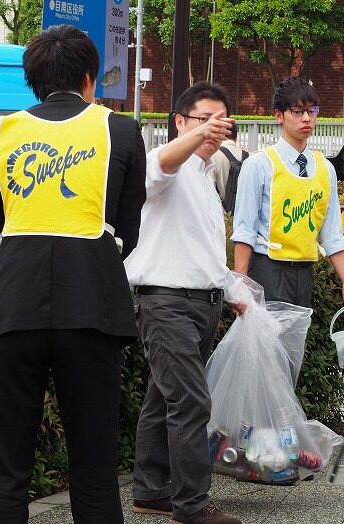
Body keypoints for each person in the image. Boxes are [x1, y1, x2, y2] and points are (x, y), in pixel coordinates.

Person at [0, 24, 146, 524]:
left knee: (5, 470)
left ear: (33, 80)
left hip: (10, 307)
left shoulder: (0, 133)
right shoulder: (119, 130)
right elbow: (128, 229)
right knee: (93, 469)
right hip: (92, 307)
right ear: (90, 77)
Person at [124, 81, 241, 524]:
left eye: (220, 122)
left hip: (201, 304)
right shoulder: (163, 163)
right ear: (179, 122)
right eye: (202, 120)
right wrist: (196, 136)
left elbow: (201, 248)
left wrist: (230, 291)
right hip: (166, 304)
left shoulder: (205, 178)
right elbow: (162, 163)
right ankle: (191, 506)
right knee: (191, 402)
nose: (213, 130)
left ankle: (151, 490)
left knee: (163, 399)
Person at [231, 76, 344, 323]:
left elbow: (332, 234)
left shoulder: (325, 169)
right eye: (297, 111)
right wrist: (240, 283)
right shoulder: (259, 165)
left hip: (304, 272)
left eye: (312, 110)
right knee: (267, 354)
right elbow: (244, 230)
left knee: (292, 354)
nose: (306, 118)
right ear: (279, 115)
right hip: (267, 269)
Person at [210, 123, 248, 213]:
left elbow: (210, 191)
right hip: (243, 214)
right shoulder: (248, 156)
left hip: (223, 215)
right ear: (236, 138)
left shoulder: (213, 156)